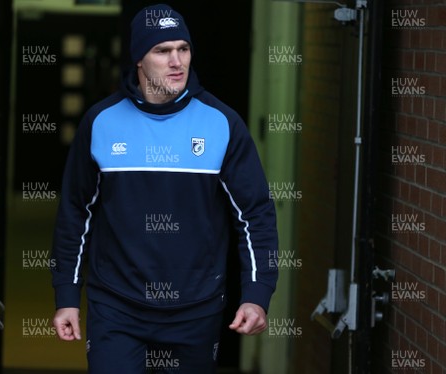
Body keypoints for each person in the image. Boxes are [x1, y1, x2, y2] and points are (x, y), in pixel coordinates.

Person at [51, 4, 279, 373]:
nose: (177, 61)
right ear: (139, 59)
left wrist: (257, 294)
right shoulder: (101, 122)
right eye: (162, 50)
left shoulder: (221, 124)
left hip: (196, 311)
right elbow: (76, 214)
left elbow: (255, 215)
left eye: (183, 49)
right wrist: (66, 295)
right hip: (116, 307)